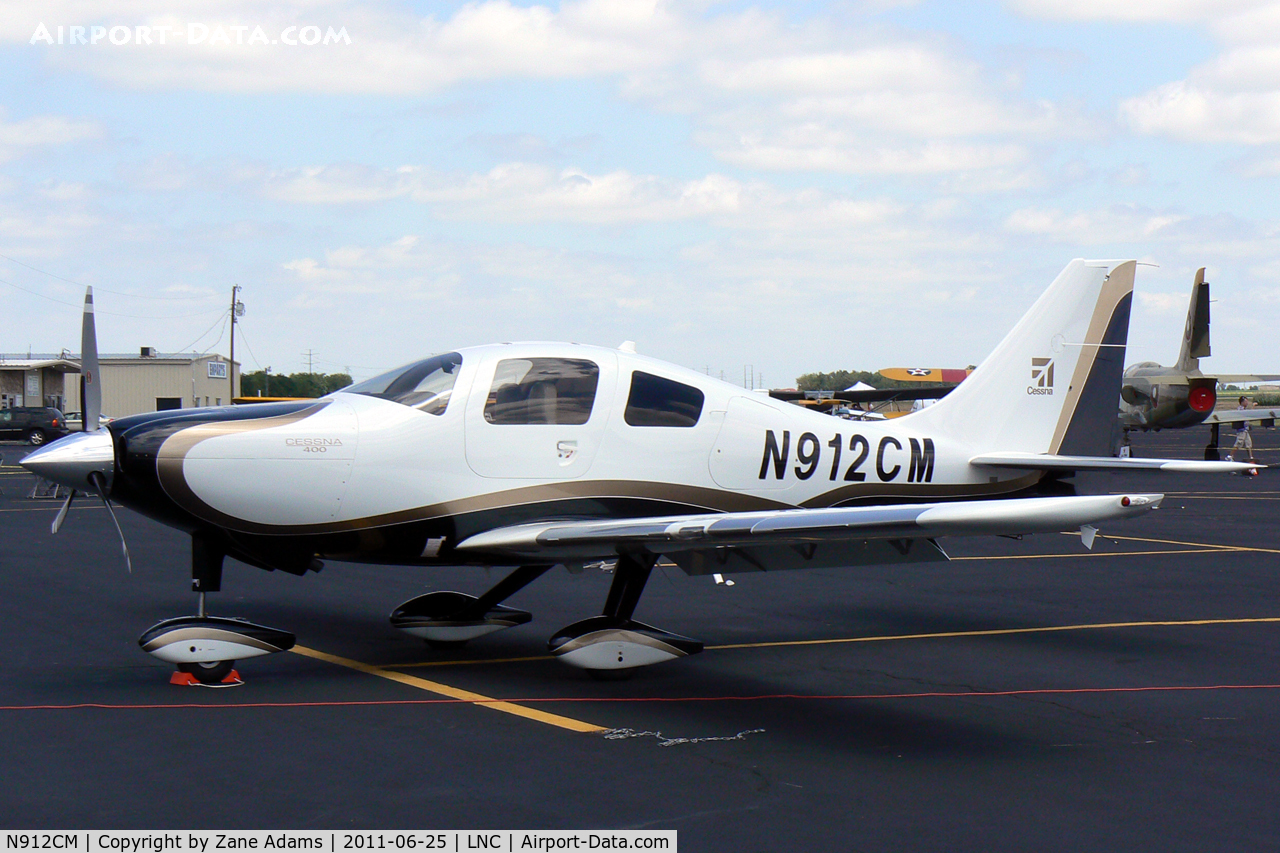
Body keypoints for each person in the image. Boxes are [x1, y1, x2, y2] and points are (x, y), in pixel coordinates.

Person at [1227, 396, 1259, 465]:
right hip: (1241, 430)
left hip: (1245, 430)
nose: (1247, 403)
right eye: (1246, 401)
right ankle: (1230, 456)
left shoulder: (1244, 409)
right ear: (1242, 402)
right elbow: (1249, 414)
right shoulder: (1240, 409)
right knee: (1239, 443)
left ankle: (1251, 457)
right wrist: (1253, 407)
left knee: (1248, 444)